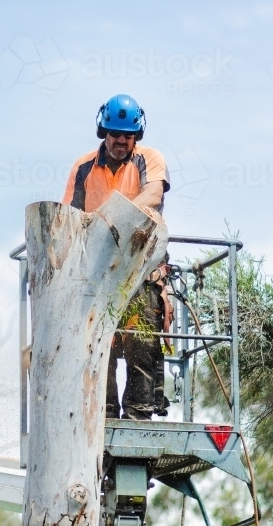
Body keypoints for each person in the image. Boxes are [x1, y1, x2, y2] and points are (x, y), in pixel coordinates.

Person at [62, 93, 172, 420]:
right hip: (99, 271)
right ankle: (103, 413)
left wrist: (117, 218)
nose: (121, 140)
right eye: (115, 133)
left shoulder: (149, 158)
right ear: (103, 132)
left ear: (136, 135)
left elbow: (153, 193)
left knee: (141, 341)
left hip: (141, 266)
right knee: (99, 342)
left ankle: (139, 415)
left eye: (128, 135)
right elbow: (69, 216)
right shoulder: (82, 168)